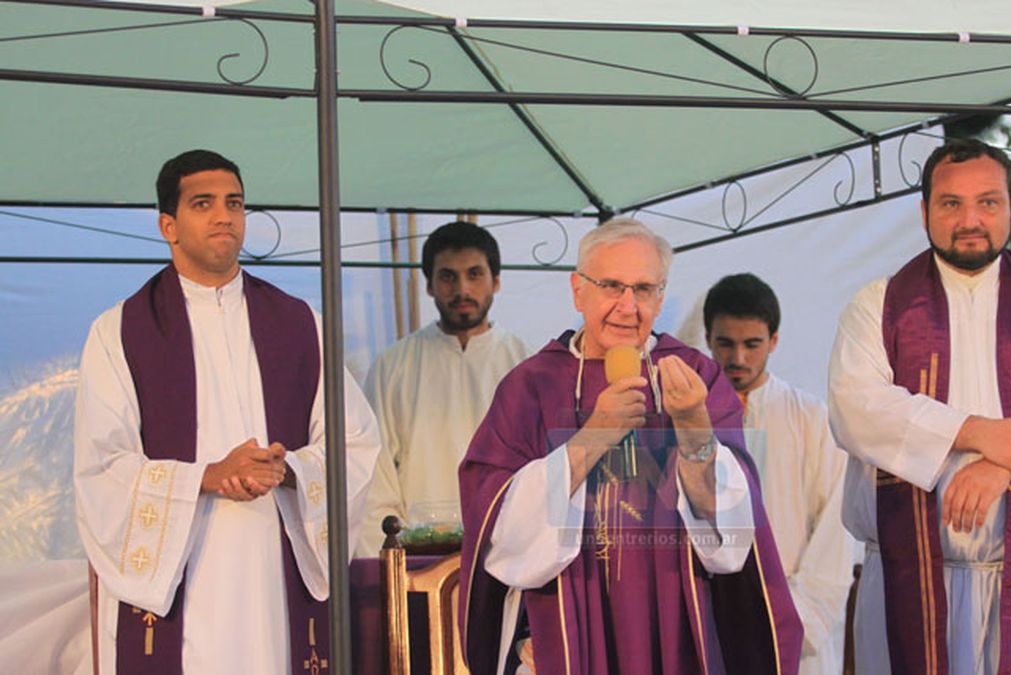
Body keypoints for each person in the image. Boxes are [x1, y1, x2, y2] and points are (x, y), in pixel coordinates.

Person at [827, 138, 1011, 674]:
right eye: (951, 203)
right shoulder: (878, 304)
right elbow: (857, 407)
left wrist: (1003, 465)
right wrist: (975, 432)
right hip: (909, 575)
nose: (970, 219)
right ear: (924, 212)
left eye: (988, 202)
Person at [74, 149, 380, 674]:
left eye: (235, 204)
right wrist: (210, 477)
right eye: (203, 204)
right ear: (168, 225)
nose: (224, 216)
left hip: (273, 569)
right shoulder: (119, 331)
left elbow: (354, 442)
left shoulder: (300, 323)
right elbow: (101, 466)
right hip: (181, 574)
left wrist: (288, 470)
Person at [458, 218, 802, 674]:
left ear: (661, 298)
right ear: (578, 290)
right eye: (611, 286)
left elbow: (734, 534)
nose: (627, 305)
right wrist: (593, 436)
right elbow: (497, 528)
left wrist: (696, 432)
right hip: (564, 639)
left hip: (675, 633)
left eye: (643, 289)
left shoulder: (696, 375)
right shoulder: (531, 386)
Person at [703, 273, 856, 675]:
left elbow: (836, 528)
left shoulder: (810, 417)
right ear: (707, 339)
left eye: (752, 344)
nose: (738, 358)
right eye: (725, 343)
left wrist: (791, 616)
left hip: (794, 615)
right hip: (711, 619)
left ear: (774, 340)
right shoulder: (688, 418)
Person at [356, 221, 529, 555]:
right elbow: (373, 477)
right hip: (417, 557)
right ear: (430, 286)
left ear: (495, 282)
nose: (461, 289)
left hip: (505, 552)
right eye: (448, 276)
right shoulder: (393, 366)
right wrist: (395, 556)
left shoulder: (525, 365)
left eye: (474, 274)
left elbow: (540, 472)